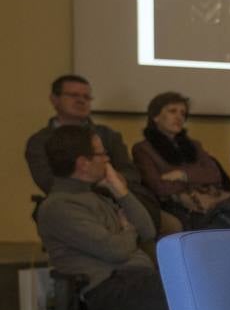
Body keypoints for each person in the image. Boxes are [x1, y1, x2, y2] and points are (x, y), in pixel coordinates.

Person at [35, 126, 168, 310]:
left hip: (137, 283)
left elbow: (148, 231)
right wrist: (128, 230)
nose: (107, 160)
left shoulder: (97, 195)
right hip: (109, 291)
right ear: (83, 163)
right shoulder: (58, 206)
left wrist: (120, 191)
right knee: (195, 295)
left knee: (202, 289)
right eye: (102, 154)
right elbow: (115, 251)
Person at [25, 74, 164, 231]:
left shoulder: (107, 135)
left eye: (86, 96)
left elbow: (131, 173)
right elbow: (48, 181)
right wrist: (105, 182)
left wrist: (116, 181)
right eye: (73, 95)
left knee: (164, 225)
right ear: (54, 99)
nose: (81, 100)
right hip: (71, 203)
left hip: (117, 200)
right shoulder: (40, 141)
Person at [132, 92, 230, 228]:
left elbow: (214, 174)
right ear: (155, 116)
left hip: (210, 200)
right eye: (172, 111)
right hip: (174, 206)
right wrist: (193, 184)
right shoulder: (143, 149)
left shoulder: (195, 145)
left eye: (183, 114)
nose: (179, 117)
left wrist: (182, 175)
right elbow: (158, 186)